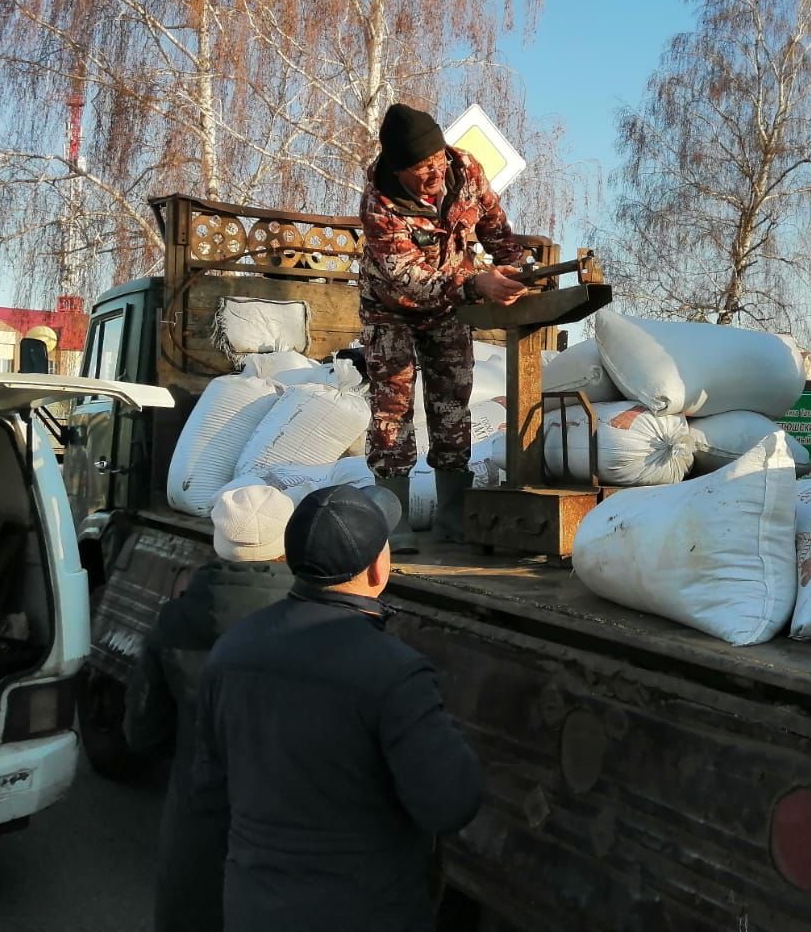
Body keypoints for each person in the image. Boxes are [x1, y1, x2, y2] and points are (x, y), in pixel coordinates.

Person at [190, 484, 484, 932]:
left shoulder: (231, 650)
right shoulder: (394, 673)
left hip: (255, 907)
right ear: (377, 568)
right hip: (366, 911)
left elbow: (209, 791)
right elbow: (450, 804)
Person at [360, 102, 529, 551]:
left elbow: (494, 226)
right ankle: (390, 521)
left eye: (436, 161)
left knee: (453, 405)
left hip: (450, 308)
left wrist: (518, 269)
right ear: (398, 170)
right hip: (390, 309)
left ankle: (453, 516)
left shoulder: (466, 170)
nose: (433, 174)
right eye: (420, 168)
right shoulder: (379, 206)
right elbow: (411, 278)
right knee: (392, 408)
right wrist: (476, 283)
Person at [122, 501, 295, 932]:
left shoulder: (175, 620)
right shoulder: (314, 624)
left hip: (196, 821)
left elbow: (142, 732)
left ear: (219, 545)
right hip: (285, 829)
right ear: (285, 547)